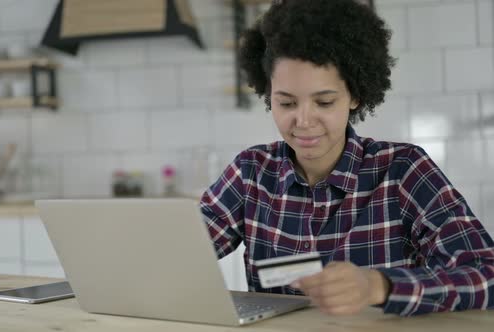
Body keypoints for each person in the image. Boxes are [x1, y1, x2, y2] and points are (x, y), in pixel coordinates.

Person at [200, 0, 494, 316]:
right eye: (286, 103)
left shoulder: (403, 170)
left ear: (354, 95)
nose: (303, 121)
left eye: (324, 102)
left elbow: (486, 274)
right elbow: (175, 254)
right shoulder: (251, 173)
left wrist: (379, 286)